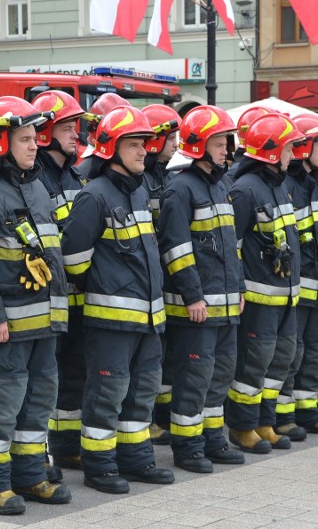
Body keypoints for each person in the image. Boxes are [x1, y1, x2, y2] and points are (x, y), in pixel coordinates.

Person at [0, 96, 71, 515]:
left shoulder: (37, 187)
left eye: (35, 138)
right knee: (2, 406)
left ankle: (29, 476)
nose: (34, 145)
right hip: (8, 328)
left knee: (39, 403)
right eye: (24, 138)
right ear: (0, 142)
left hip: (46, 324)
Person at [61, 106, 174, 494]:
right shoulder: (93, 197)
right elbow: (73, 259)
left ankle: (136, 458)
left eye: (143, 144)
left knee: (143, 391)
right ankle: (100, 465)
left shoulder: (139, 191)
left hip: (147, 319)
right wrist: (107, 284)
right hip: (111, 321)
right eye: (134, 144)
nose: (144, 151)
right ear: (111, 148)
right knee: (107, 394)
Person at [157, 105, 245, 473]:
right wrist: (193, 295)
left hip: (225, 306)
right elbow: (175, 249)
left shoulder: (221, 185)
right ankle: (188, 446)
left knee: (219, 376)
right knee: (194, 379)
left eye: (227, 141)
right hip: (197, 308)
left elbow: (231, 246)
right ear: (199, 145)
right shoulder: (180, 188)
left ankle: (212, 439)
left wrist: (238, 287)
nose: (227, 148)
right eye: (220, 142)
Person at [227, 113, 304, 453]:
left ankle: (265, 421)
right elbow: (235, 247)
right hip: (259, 299)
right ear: (272, 152)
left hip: (285, 297)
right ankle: (243, 427)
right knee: (254, 362)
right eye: (289, 147)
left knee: (282, 360)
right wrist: (240, 289)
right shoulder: (245, 190)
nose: (293, 154)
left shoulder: (279, 187)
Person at [31, 89, 87, 476]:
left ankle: (67, 447)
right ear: (46, 131)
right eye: (67, 127)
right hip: (48, 296)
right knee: (45, 378)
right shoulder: (36, 175)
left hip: (77, 294)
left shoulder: (72, 173)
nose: (75, 134)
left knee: (73, 372)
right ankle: (42, 452)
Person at [275, 114, 318, 435]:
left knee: (315, 350)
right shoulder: (288, 187)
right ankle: (283, 416)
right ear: (302, 148)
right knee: (292, 353)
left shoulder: (314, 185)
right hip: (297, 288)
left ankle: (306, 410)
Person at [141, 103, 181, 447]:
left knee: (161, 358)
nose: (176, 144)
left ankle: (160, 417)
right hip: (148, 280)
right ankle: (149, 417)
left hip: (162, 279)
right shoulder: (144, 178)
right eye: (170, 137)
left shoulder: (165, 177)